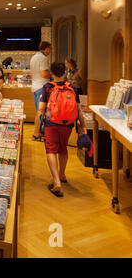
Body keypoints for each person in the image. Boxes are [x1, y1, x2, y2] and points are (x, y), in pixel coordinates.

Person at [39, 62, 87, 198]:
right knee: (63, 148)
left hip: (51, 122)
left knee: (51, 150)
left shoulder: (47, 87)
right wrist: (82, 126)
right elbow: (78, 109)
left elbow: (41, 108)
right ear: (64, 72)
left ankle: (56, 182)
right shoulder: (71, 87)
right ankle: (62, 174)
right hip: (68, 124)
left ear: (52, 73)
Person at [30, 41, 52, 142]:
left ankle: (38, 132)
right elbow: (43, 74)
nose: (50, 51)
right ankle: (36, 134)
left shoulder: (34, 57)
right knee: (41, 111)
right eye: (50, 49)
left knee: (38, 111)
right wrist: (52, 75)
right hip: (41, 87)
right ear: (46, 48)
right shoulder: (43, 58)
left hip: (35, 87)